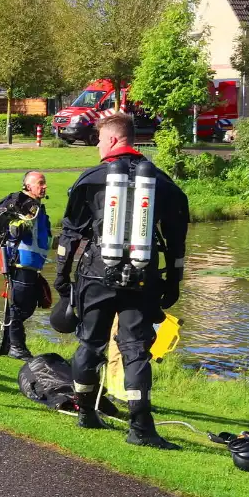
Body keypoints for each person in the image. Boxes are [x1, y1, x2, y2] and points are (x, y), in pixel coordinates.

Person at [55, 113, 189, 450]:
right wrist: (174, 281)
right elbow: (176, 238)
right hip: (143, 277)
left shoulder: (91, 180)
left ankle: (86, 413)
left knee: (90, 344)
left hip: (95, 274)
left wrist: (61, 278)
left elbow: (70, 234)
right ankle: (141, 428)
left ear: (114, 139)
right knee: (135, 350)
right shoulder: (160, 181)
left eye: (100, 140)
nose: (97, 146)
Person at [0, 171, 52, 360]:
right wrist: (19, 226)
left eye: (44, 183)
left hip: (31, 265)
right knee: (21, 307)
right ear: (28, 186)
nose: (44, 186)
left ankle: (5, 343)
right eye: (40, 183)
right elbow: (14, 230)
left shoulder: (37, 207)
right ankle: (16, 347)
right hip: (21, 264)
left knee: (23, 306)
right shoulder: (26, 206)